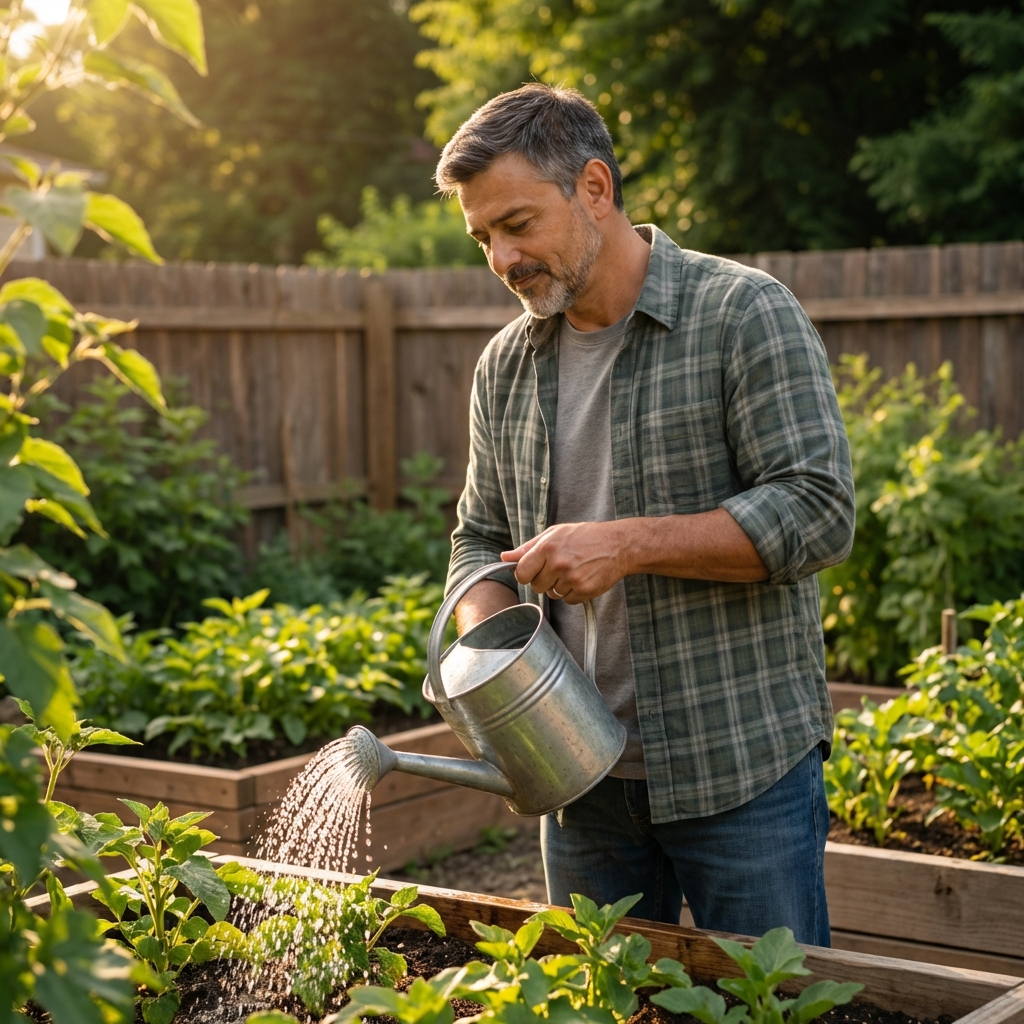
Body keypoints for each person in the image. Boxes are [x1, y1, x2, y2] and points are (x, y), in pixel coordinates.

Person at [436, 83, 854, 946]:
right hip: (577, 782)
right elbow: (479, 539)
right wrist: (490, 643)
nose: (502, 259)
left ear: (594, 188)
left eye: (517, 224)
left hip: (740, 770)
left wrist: (625, 546)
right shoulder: (504, 366)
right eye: (483, 238)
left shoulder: (742, 313)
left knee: (771, 1006)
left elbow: (817, 511)